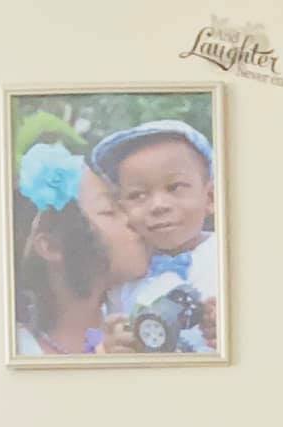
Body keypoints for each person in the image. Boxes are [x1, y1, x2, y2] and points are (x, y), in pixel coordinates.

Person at [89, 120, 219, 353]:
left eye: (175, 187)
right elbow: (109, 334)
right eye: (138, 195)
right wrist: (110, 348)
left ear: (210, 198)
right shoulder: (125, 277)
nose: (158, 205)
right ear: (121, 208)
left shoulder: (228, 256)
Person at [13, 141, 150, 356]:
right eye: (109, 211)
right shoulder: (20, 350)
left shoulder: (146, 315)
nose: (131, 219)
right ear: (50, 246)